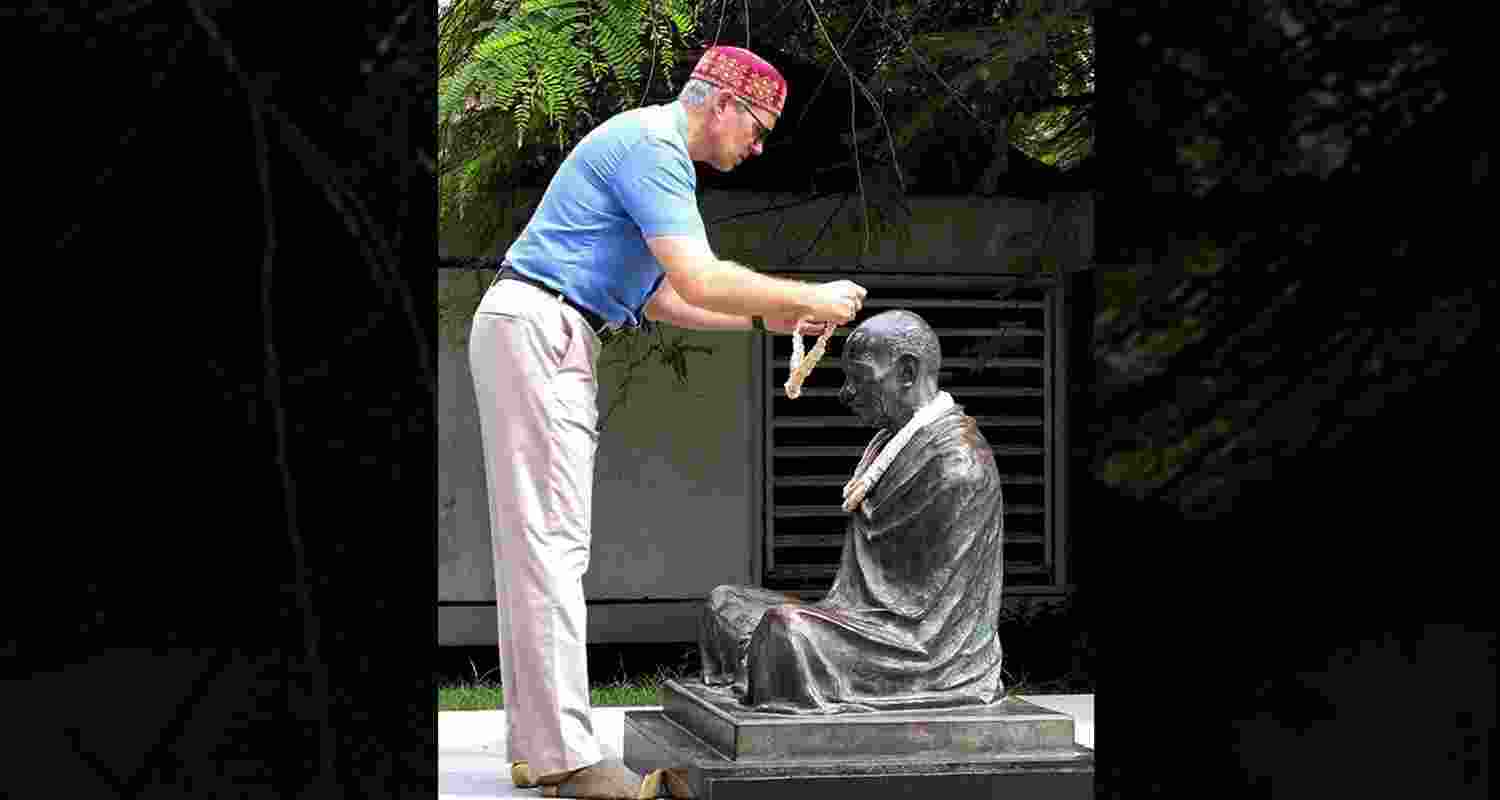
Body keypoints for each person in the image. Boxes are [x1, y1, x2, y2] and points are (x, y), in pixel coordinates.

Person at [467, 45, 868, 799]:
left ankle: (538, 746)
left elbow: (666, 300)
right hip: (544, 329)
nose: (758, 144)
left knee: (535, 549)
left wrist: (769, 325)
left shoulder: (644, 144)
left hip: (533, 326)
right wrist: (807, 300)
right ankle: (569, 761)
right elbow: (700, 276)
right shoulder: (656, 147)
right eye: (757, 125)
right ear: (719, 102)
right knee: (553, 549)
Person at [699, 310, 1006, 714]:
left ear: (907, 372)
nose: (845, 393)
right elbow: (856, 601)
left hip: (922, 652)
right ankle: (764, 667)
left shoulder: (958, 464)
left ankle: (770, 664)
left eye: (859, 377)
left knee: (785, 630)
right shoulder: (890, 444)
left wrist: (817, 626)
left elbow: (933, 626)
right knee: (724, 604)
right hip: (860, 622)